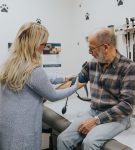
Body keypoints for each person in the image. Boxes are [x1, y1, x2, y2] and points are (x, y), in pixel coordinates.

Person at [0, 22, 83, 150]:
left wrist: (63, 78)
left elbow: (38, 78)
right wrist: (76, 86)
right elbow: (53, 95)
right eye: (43, 44)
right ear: (33, 43)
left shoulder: (12, 63)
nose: (44, 48)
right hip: (23, 128)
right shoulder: (34, 69)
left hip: (7, 124)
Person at [57, 27, 135, 150]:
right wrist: (50, 91)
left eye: (92, 49)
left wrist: (96, 120)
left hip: (117, 117)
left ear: (105, 47)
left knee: (90, 142)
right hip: (94, 111)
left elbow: (127, 105)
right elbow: (76, 82)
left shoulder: (128, 68)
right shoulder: (92, 64)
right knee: (63, 139)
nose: (90, 52)